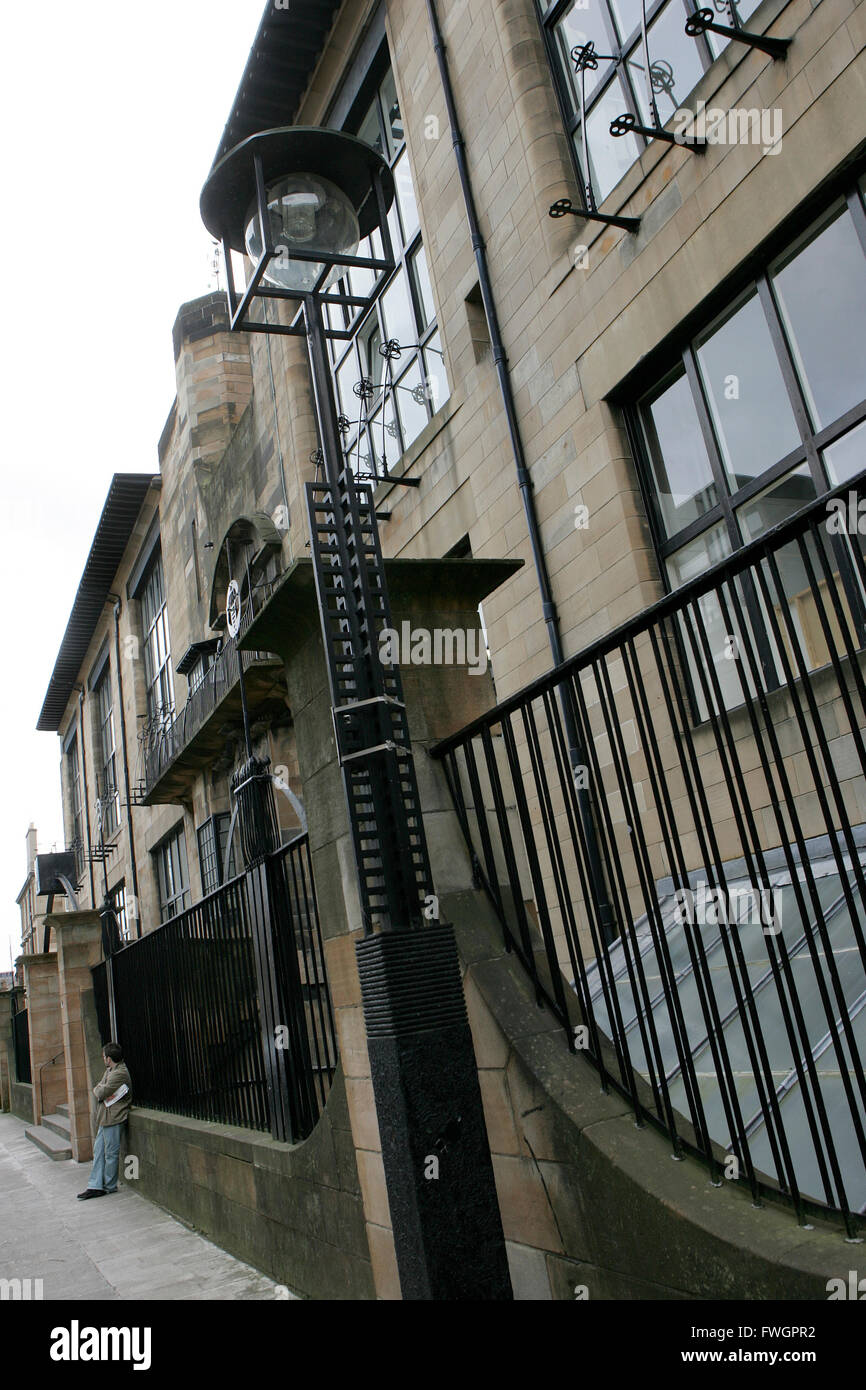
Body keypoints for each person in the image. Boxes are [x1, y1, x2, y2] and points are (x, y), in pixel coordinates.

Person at [77, 1043, 133, 1200]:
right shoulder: (110, 1071)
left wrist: (99, 1089)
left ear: (109, 1058)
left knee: (111, 1152)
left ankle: (109, 1185)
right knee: (99, 1150)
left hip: (114, 1117)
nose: (103, 1059)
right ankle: (95, 1186)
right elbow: (99, 1088)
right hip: (105, 1117)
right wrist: (99, 1089)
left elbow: (100, 1091)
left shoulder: (120, 1073)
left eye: (104, 1057)